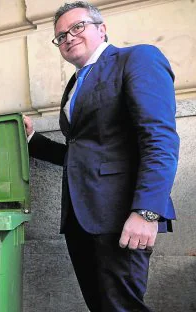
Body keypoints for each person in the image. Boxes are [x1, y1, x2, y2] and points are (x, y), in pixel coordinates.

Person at [23, 1, 179, 311]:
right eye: (61, 35)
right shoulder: (76, 82)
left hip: (122, 216)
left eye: (77, 27)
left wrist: (147, 211)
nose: (68, 37)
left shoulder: (136, 58)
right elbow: (82, 151)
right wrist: (31, 139)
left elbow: (159, 140)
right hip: (80, 219)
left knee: (122, 306)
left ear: (101, 28)